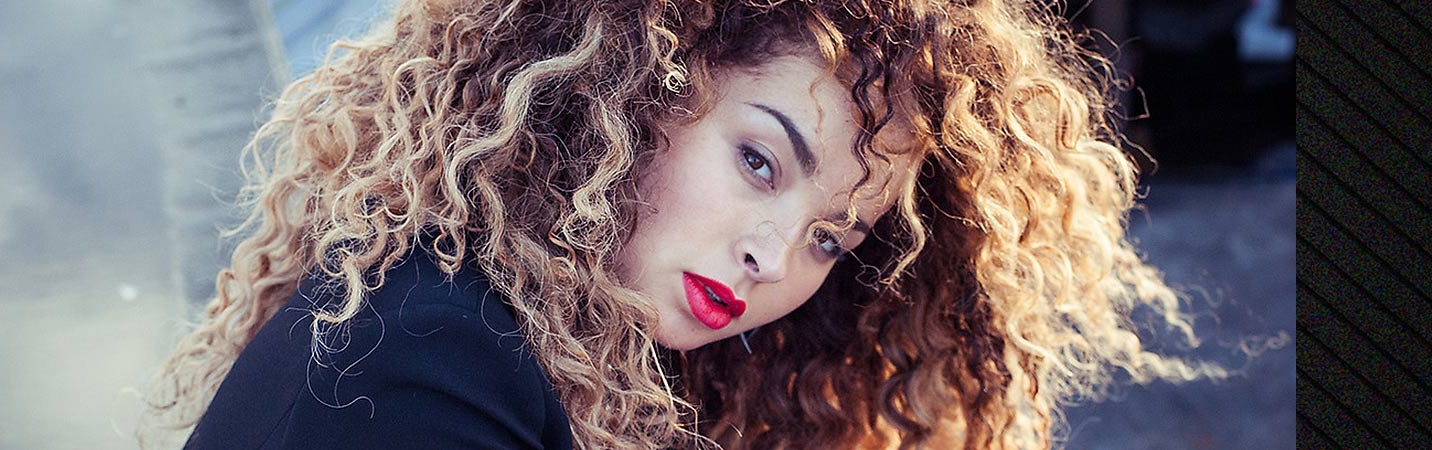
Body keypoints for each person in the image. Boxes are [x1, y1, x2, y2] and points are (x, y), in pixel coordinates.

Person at [145, 0, 1223, 448]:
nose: (772, 256)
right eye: (759, 161)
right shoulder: (427, 357)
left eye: (832, 238)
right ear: (628, 91)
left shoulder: (557, 346)